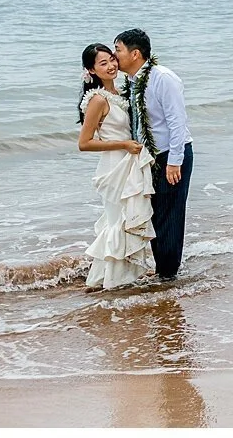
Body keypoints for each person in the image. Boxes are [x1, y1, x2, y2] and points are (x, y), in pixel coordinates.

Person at [113, 28, 194, 280]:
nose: (115, 57)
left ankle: (168, 276)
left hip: (171, 155)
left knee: (169, 216)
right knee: (155, 215)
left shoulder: (163, 78)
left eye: (118, 50)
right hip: (150, 156)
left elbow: (177, 123)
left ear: (135, 53)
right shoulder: (134, 81)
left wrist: (174, 163)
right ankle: (163, 270)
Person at [76, 43, 156, 290]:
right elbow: (84, 143)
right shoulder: (97, 100)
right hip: (114, 166)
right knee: (116, 220)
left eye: (112, 59)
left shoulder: (122, 93)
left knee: (128, 217)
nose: (111, 66)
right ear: (91, 70)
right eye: (103, 63)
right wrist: (123, 143)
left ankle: (124, 275)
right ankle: (111, 279)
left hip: (129, 162)